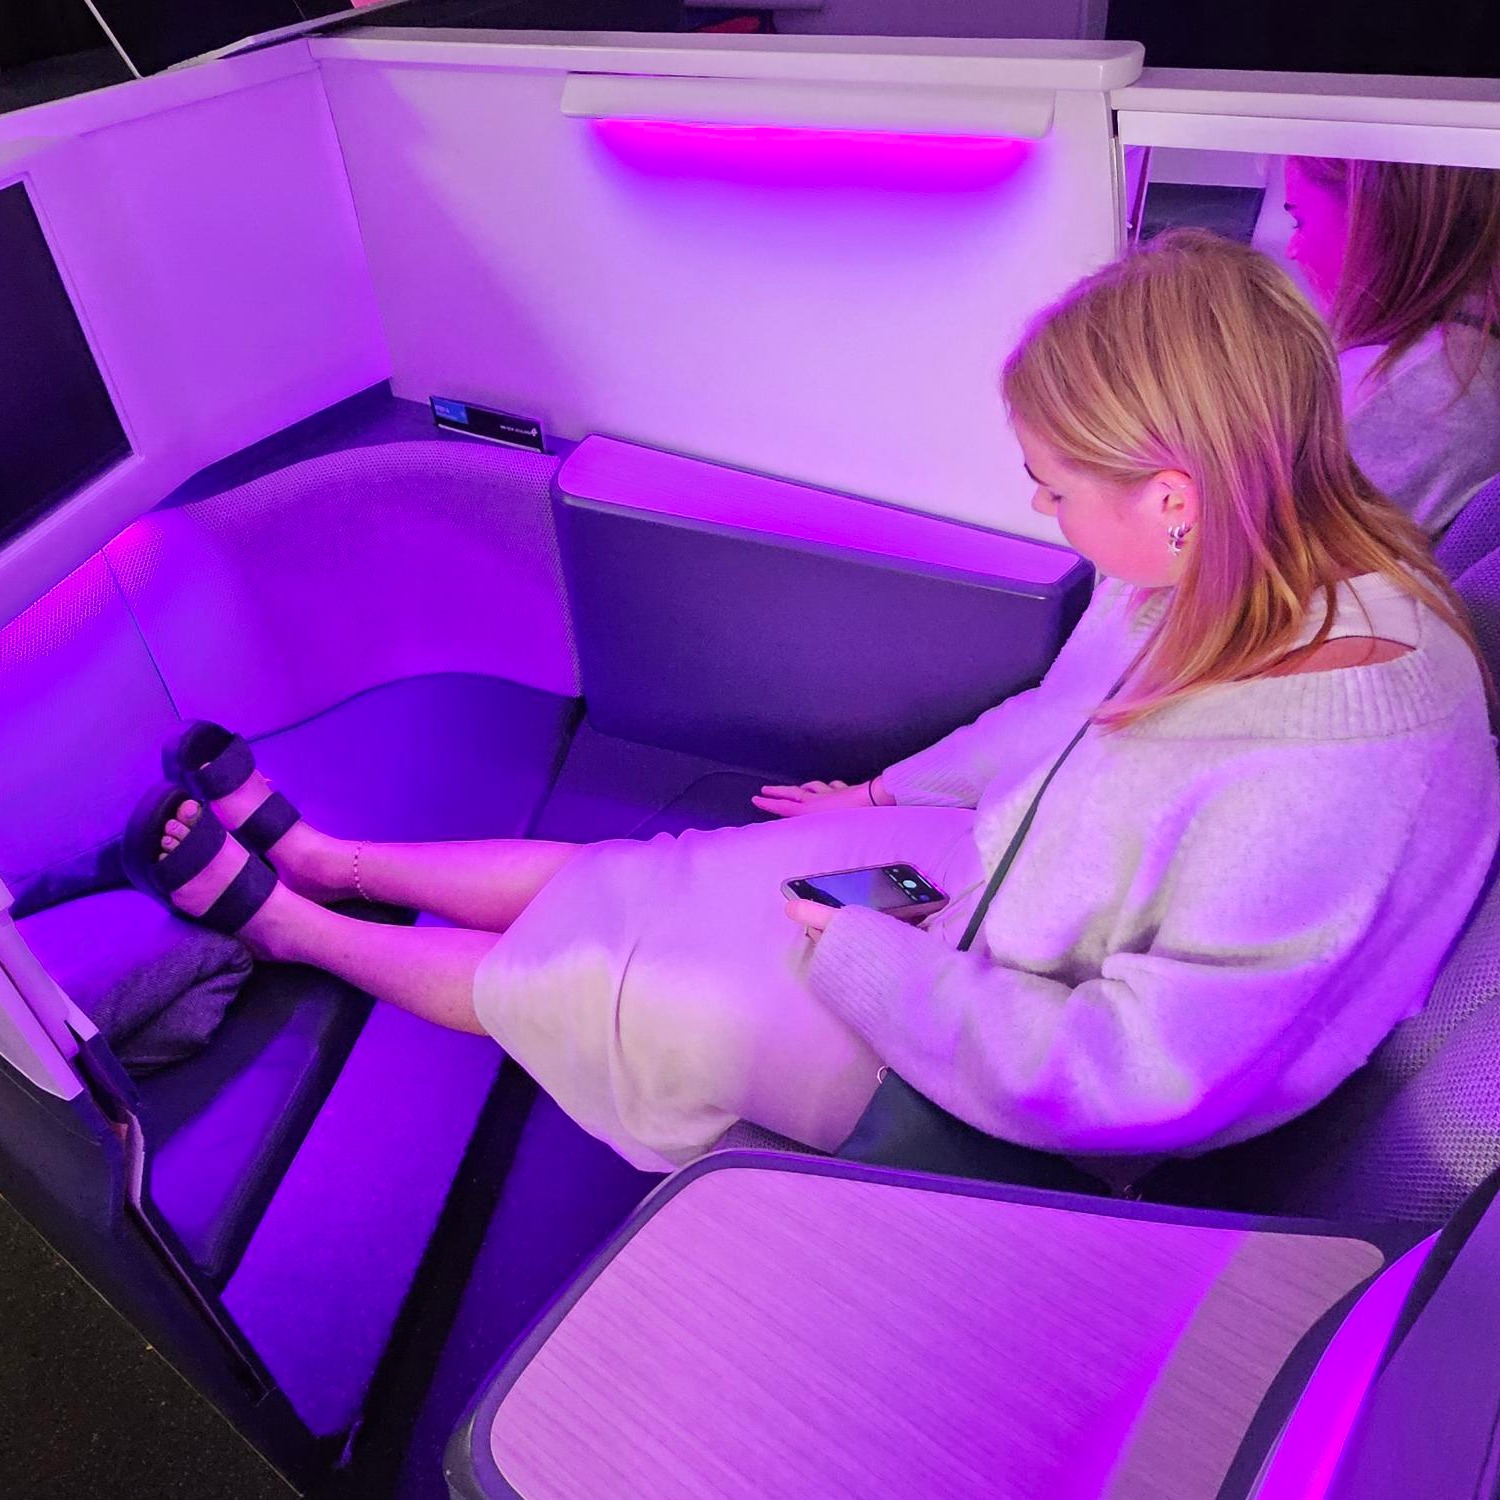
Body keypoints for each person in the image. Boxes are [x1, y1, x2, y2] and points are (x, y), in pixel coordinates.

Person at [129, 231, 1500, 1180]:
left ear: (1173, 497)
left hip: (1007, 1075)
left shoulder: (1321, 788)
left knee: (613, 976)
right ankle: (336, 861)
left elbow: (1132, 1078)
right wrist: (894, 797)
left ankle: (297, 930)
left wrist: (868, 962)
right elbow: (1060, 728)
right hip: (986, 905)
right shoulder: (1257, 559)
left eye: (1054, 487)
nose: (1040, 509)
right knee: (657, 874)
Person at [1283, 157, 1500, 537]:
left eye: (1298, 221)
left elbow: (1261, 557)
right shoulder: (1465, 359)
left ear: (1373, 217)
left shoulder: (1420, 389)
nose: (1292, 250)